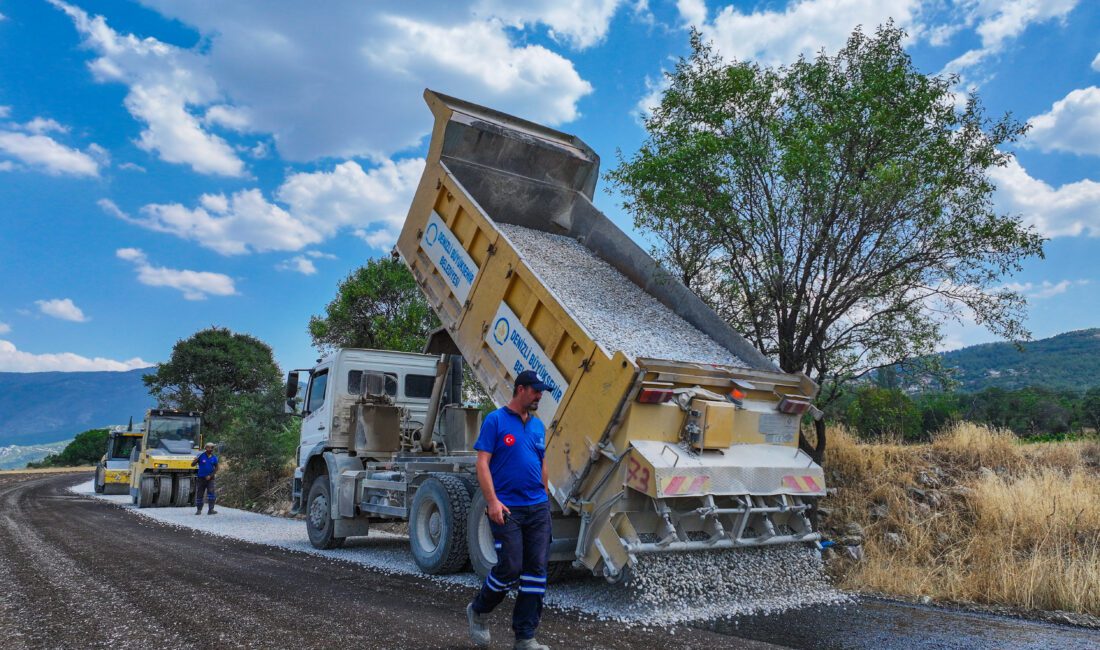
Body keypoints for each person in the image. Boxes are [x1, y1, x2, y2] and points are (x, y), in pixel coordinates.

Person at [466, 370, 552, 650]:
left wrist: (545, 494)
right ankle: (479, 610)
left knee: (536, 571)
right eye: (536, 391)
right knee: (511, 567)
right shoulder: (496, 420)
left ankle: (525, 637)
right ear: (520, 389)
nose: (540, 396)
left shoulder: (538, 426)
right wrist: (492, 501)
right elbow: (482, 463)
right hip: (508, 508)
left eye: (541, 392)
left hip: (537, 507)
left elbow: (542, 462)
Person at [191, 442, 219, 515]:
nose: (211, 449)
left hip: (210, 479)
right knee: (200, 494)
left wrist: (210, 475)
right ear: (206, 448)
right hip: (201, 478)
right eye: (209, 447)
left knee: (211, 494)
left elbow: (217, 468)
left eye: (212, 448)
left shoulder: (214, 457)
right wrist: (195, 460)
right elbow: (192, 465)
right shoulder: (200, 455)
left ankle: (211, 510)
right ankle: (199, 510)